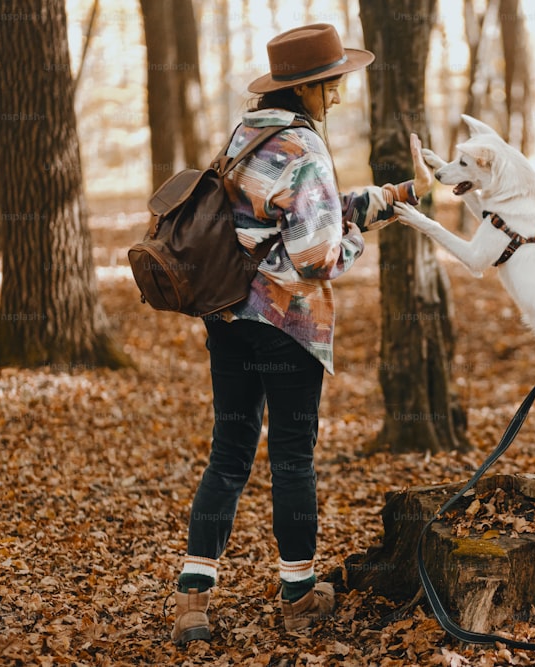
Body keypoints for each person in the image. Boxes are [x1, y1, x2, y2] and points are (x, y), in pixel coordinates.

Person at [170, 23, 433, 645]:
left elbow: (292, 211)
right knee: (293, 458)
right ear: (310, 89)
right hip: (286, 326)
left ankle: (192, 598)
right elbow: (316, 254)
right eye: (334, 83)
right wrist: (354, 241)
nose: (340, 94)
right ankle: (297, 596)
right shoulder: (306, 147)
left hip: (229, 319)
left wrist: (400, 196)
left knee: (229, 455)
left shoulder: (245, 136)